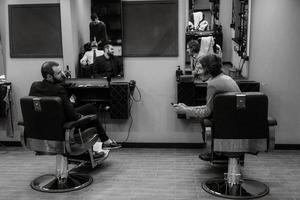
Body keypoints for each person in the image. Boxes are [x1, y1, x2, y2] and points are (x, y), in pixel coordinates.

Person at [29, 61, 121, 156]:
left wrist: (70, 104)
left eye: (61, 71)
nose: (62, 74)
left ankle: (91, 151)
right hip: (63, 128)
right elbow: (72, 115)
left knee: (82, 109)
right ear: (49, 76)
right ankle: (105, 142)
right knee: (90, 109)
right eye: (58, 73)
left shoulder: (35, 86)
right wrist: (79, 115)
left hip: (44, 130)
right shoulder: (59, 89)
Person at [172, 54, 240, 160]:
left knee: (205, 120)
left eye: (199, 68)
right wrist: (187, 108)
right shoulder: (226, 78)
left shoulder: (213, 84)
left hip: (227, 126)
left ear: (209, 69)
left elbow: (206, 112)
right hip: (236, 123)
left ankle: (217, 153)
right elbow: (210, 107)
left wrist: (185, 111)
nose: (196, 72)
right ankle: (219, 153)